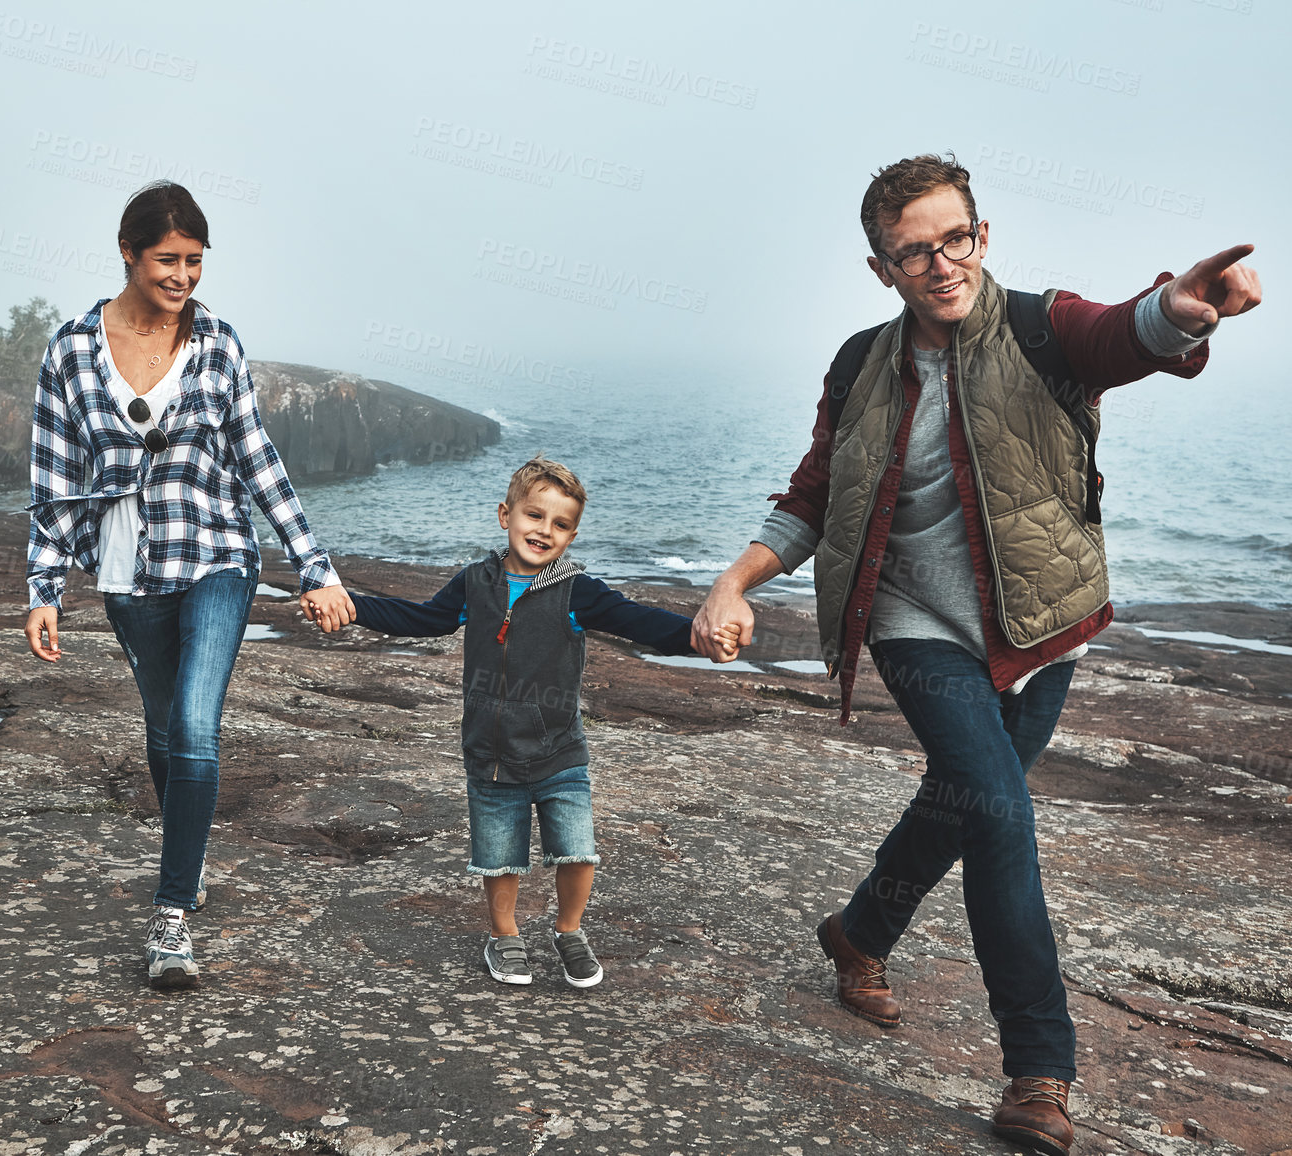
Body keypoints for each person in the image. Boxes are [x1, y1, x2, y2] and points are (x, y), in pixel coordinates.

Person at [688, 154, 1260, 1155]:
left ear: (981, 237)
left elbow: (1124, 333)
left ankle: (859, 931)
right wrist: (732, 582)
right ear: (882, 269)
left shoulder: (1044, 329)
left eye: (954, 238)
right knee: (997, 815)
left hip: (1041, 625)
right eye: (913, 251)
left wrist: (1181, 308)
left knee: (959, 801)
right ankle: (1038, 1069)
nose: (939, 262)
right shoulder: (857, 365)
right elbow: (813, 496)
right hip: (913, 621)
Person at [23, 180, 356, 991]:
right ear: (128, 253)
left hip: (217, 557)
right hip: (127, 571)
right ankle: (188, 854)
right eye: (167, 260)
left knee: (197, 727)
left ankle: (171, 915)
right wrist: (44, 586)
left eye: (195, 262)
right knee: (163, 729)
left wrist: (313, 566)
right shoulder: (70, 350)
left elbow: (256, 456)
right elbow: (56, 477)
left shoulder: (218, 344)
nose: (182, 277)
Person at [310, 457, 739, 988]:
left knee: (578, 851)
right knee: (500, 859)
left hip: (559, 751)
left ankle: (569, 931)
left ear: (572, 535)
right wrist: (350, 605)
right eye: (534, 515)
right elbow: (420, 619)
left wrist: (701, 636)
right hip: (490, 753)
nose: (544, 530)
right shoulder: (475, 584)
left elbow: (642, 623)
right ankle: (505, 936)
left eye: (560, 525)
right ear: (504, 515)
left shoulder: (578, 591)